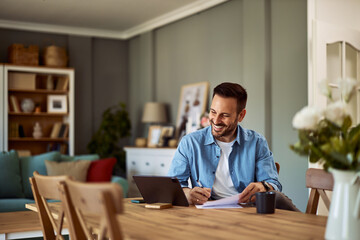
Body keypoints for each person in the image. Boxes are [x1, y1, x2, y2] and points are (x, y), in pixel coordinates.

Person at [168, 82, 298, 211]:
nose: (216, 120)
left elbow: (274, 183)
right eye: (213, 112)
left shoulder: (257, 142)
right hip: (207, 214)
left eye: (224, 115)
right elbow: (173, 187)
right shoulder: (190, 143)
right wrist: (189, 194)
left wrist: (263, 186)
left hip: (248, 213)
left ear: (241, 115)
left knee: (279, 198)